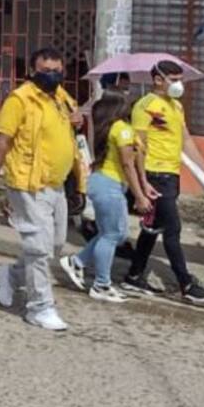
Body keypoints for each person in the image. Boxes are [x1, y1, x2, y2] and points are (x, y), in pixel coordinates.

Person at [0, 47, 79, 331]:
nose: (53, 75)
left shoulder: (61, 97)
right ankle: (39, 308)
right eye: (46, 70)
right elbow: (2, 142)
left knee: (55, 244)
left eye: (57, 70)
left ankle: (11, 275)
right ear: (33, 71)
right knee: (39, 248)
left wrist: (78, 121)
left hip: (56, 184)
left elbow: (70, 128)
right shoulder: (19, 99)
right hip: (27, 183)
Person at [123, 60, 204, 303]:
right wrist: (142, 184)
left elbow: (185, 140)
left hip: (171, 174)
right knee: (172, 229)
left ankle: (134, 275)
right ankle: (186, 284)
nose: (179, 84)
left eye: (180, 79)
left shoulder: (176, 106)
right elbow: (139, 147)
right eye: (174, 79)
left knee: (152, 228)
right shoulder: (145, 106)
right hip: (155, 175)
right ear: (158, 79)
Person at [58, 91, 151, 303]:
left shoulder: (117, 129)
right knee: (111, 235)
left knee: (115, 234)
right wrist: (139, 196)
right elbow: (128, 165)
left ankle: (77, 262)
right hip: (110, 185)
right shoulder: (122, 130)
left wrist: (144, 186)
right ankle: (101, 284)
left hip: (105, 184)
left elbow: (135, 160)